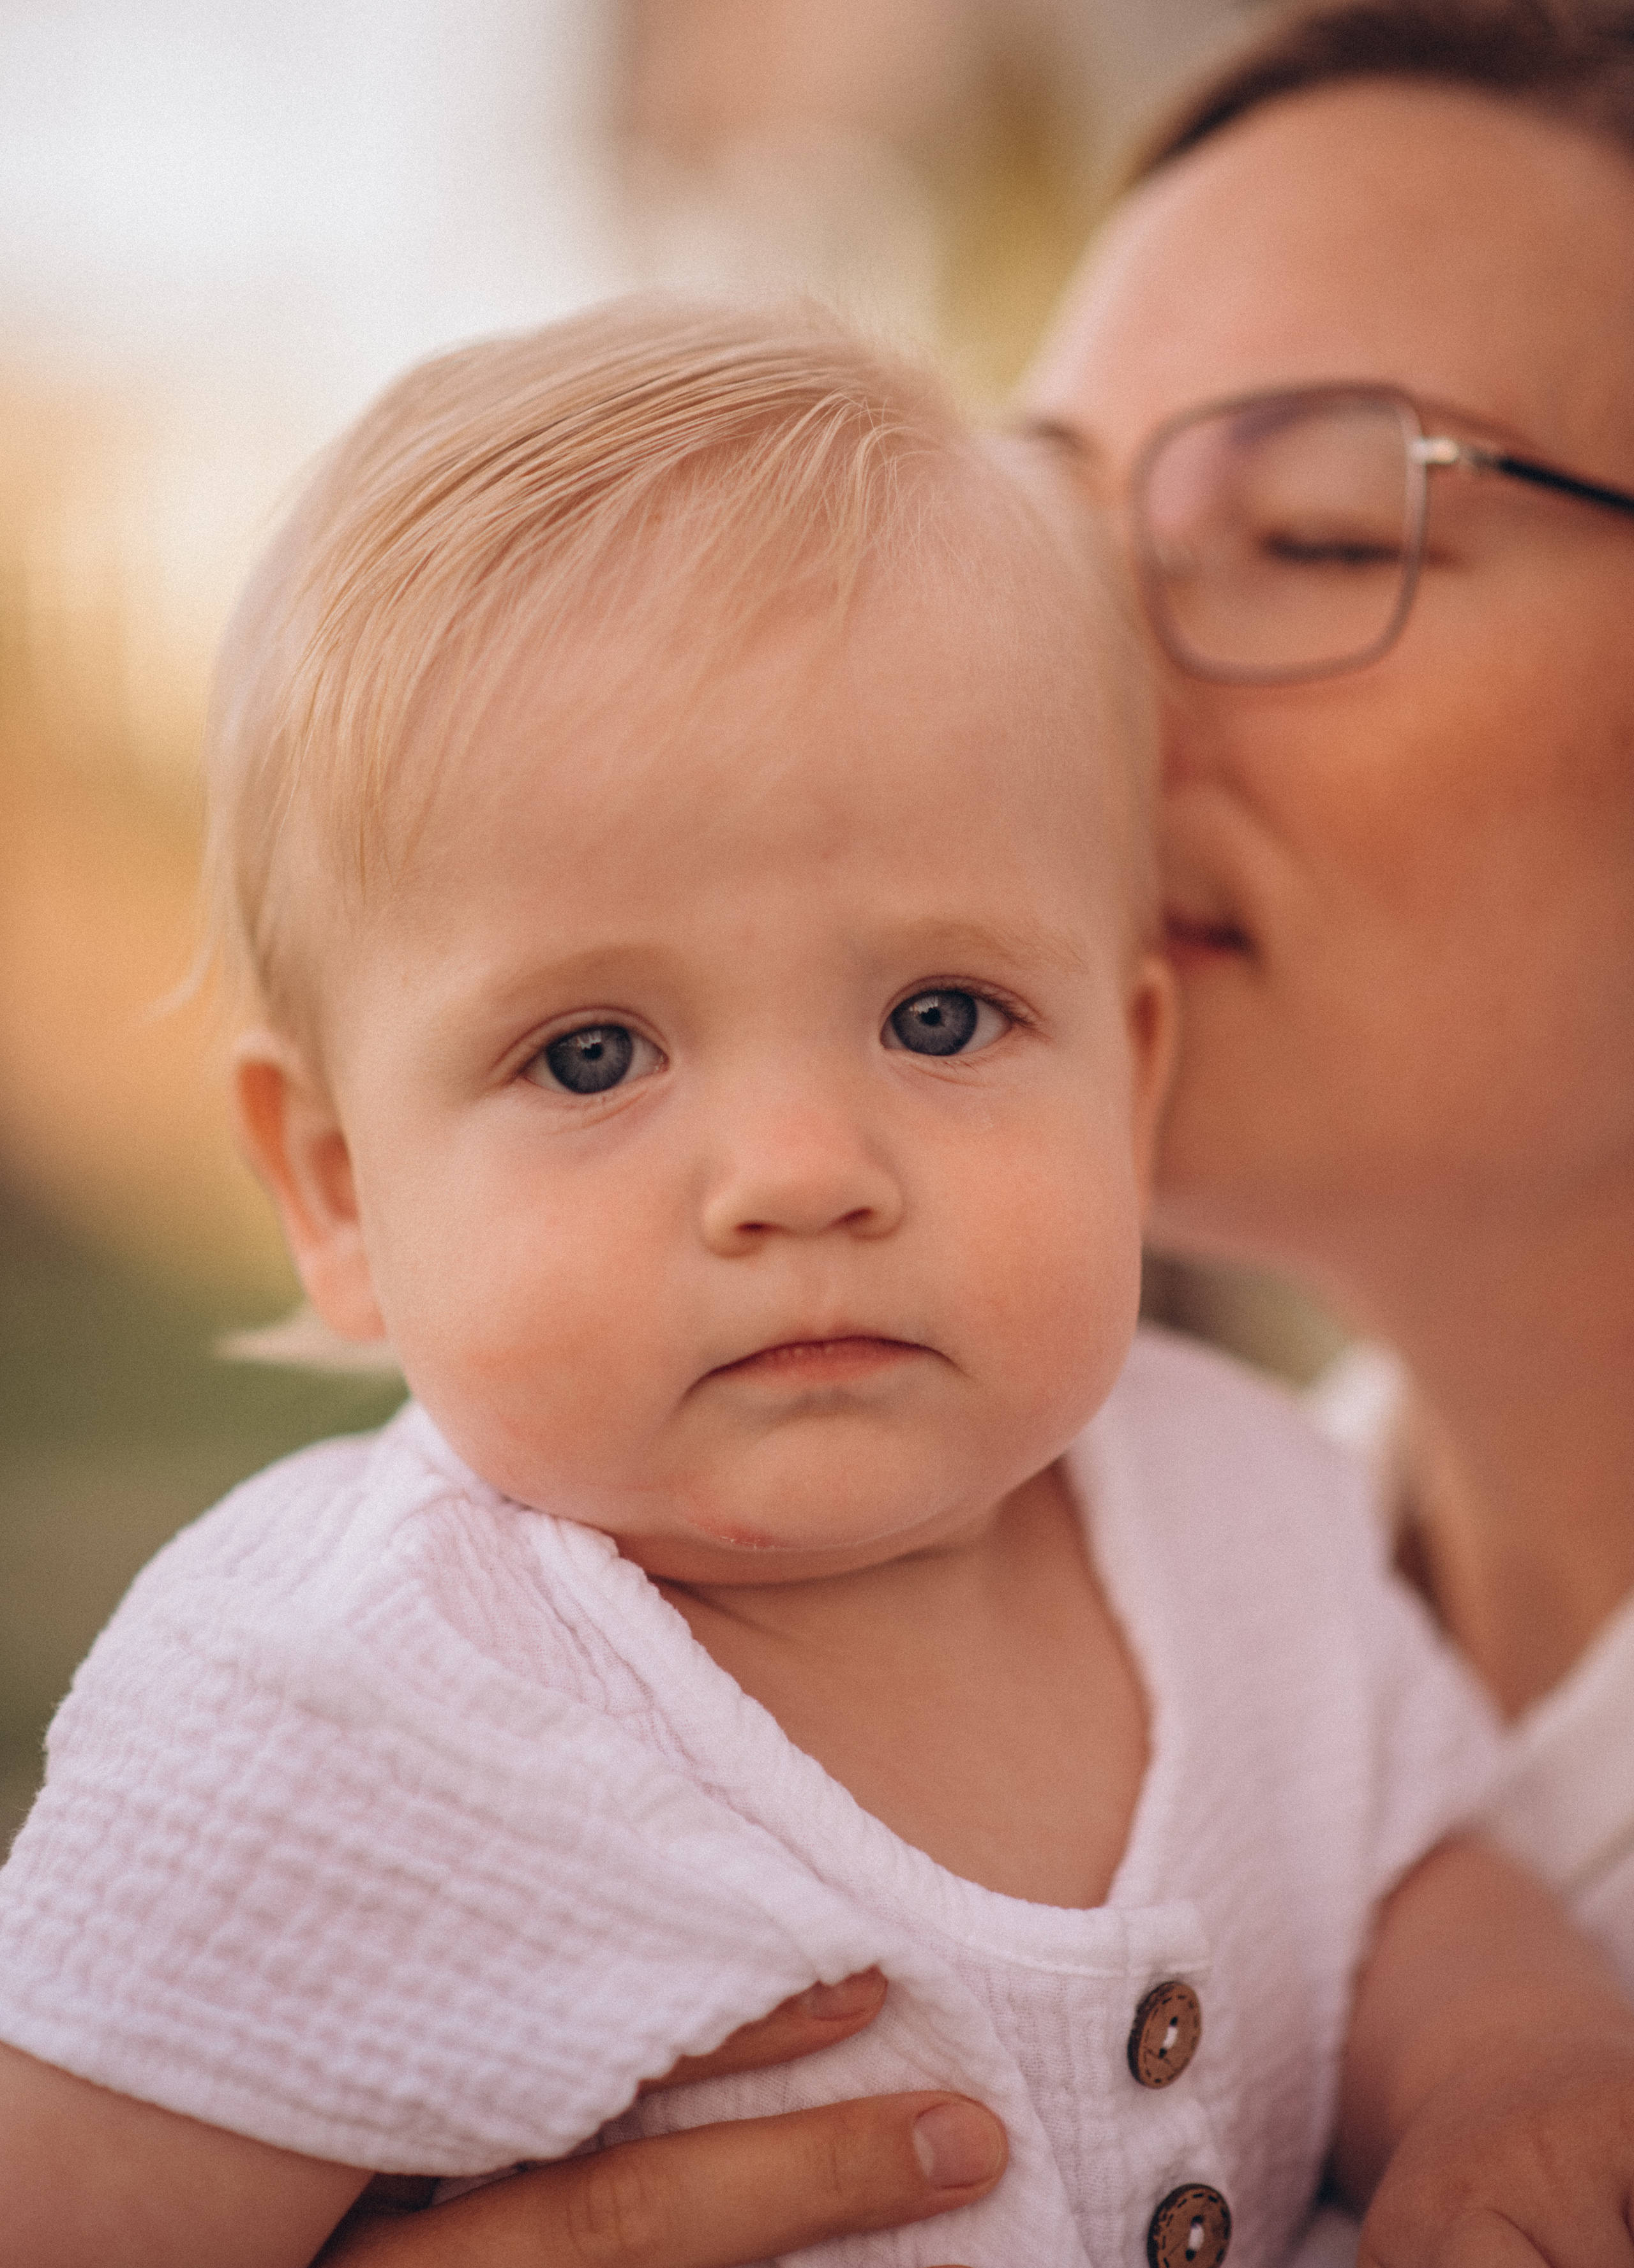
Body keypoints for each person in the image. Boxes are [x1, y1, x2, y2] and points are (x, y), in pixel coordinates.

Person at [4, 294, 1634, 2268]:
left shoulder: (1243, 1505)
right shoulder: (341, 1698)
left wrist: (1504, 2080)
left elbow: (1412, 1887)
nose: (801, 1175)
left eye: (943, 1014)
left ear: (1131, 1066)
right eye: (591, 1053)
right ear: (340, 1189)